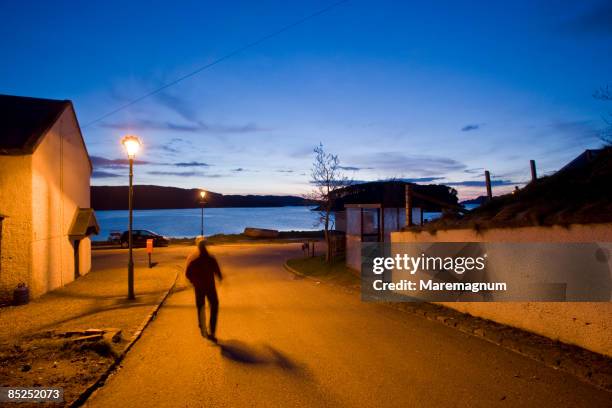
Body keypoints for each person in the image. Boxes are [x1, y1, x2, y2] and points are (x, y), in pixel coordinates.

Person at [186, 240, 223, 342]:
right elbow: (218, 272)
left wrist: (194, 282)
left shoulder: (194, 260)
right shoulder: (211, 259)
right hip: (210, 287)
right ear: (206, 247)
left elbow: (188, 274)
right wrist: (220, 278)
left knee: (200, 307)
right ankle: (212, 332)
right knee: (214, 306)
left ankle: (202, 326)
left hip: (199, 288)